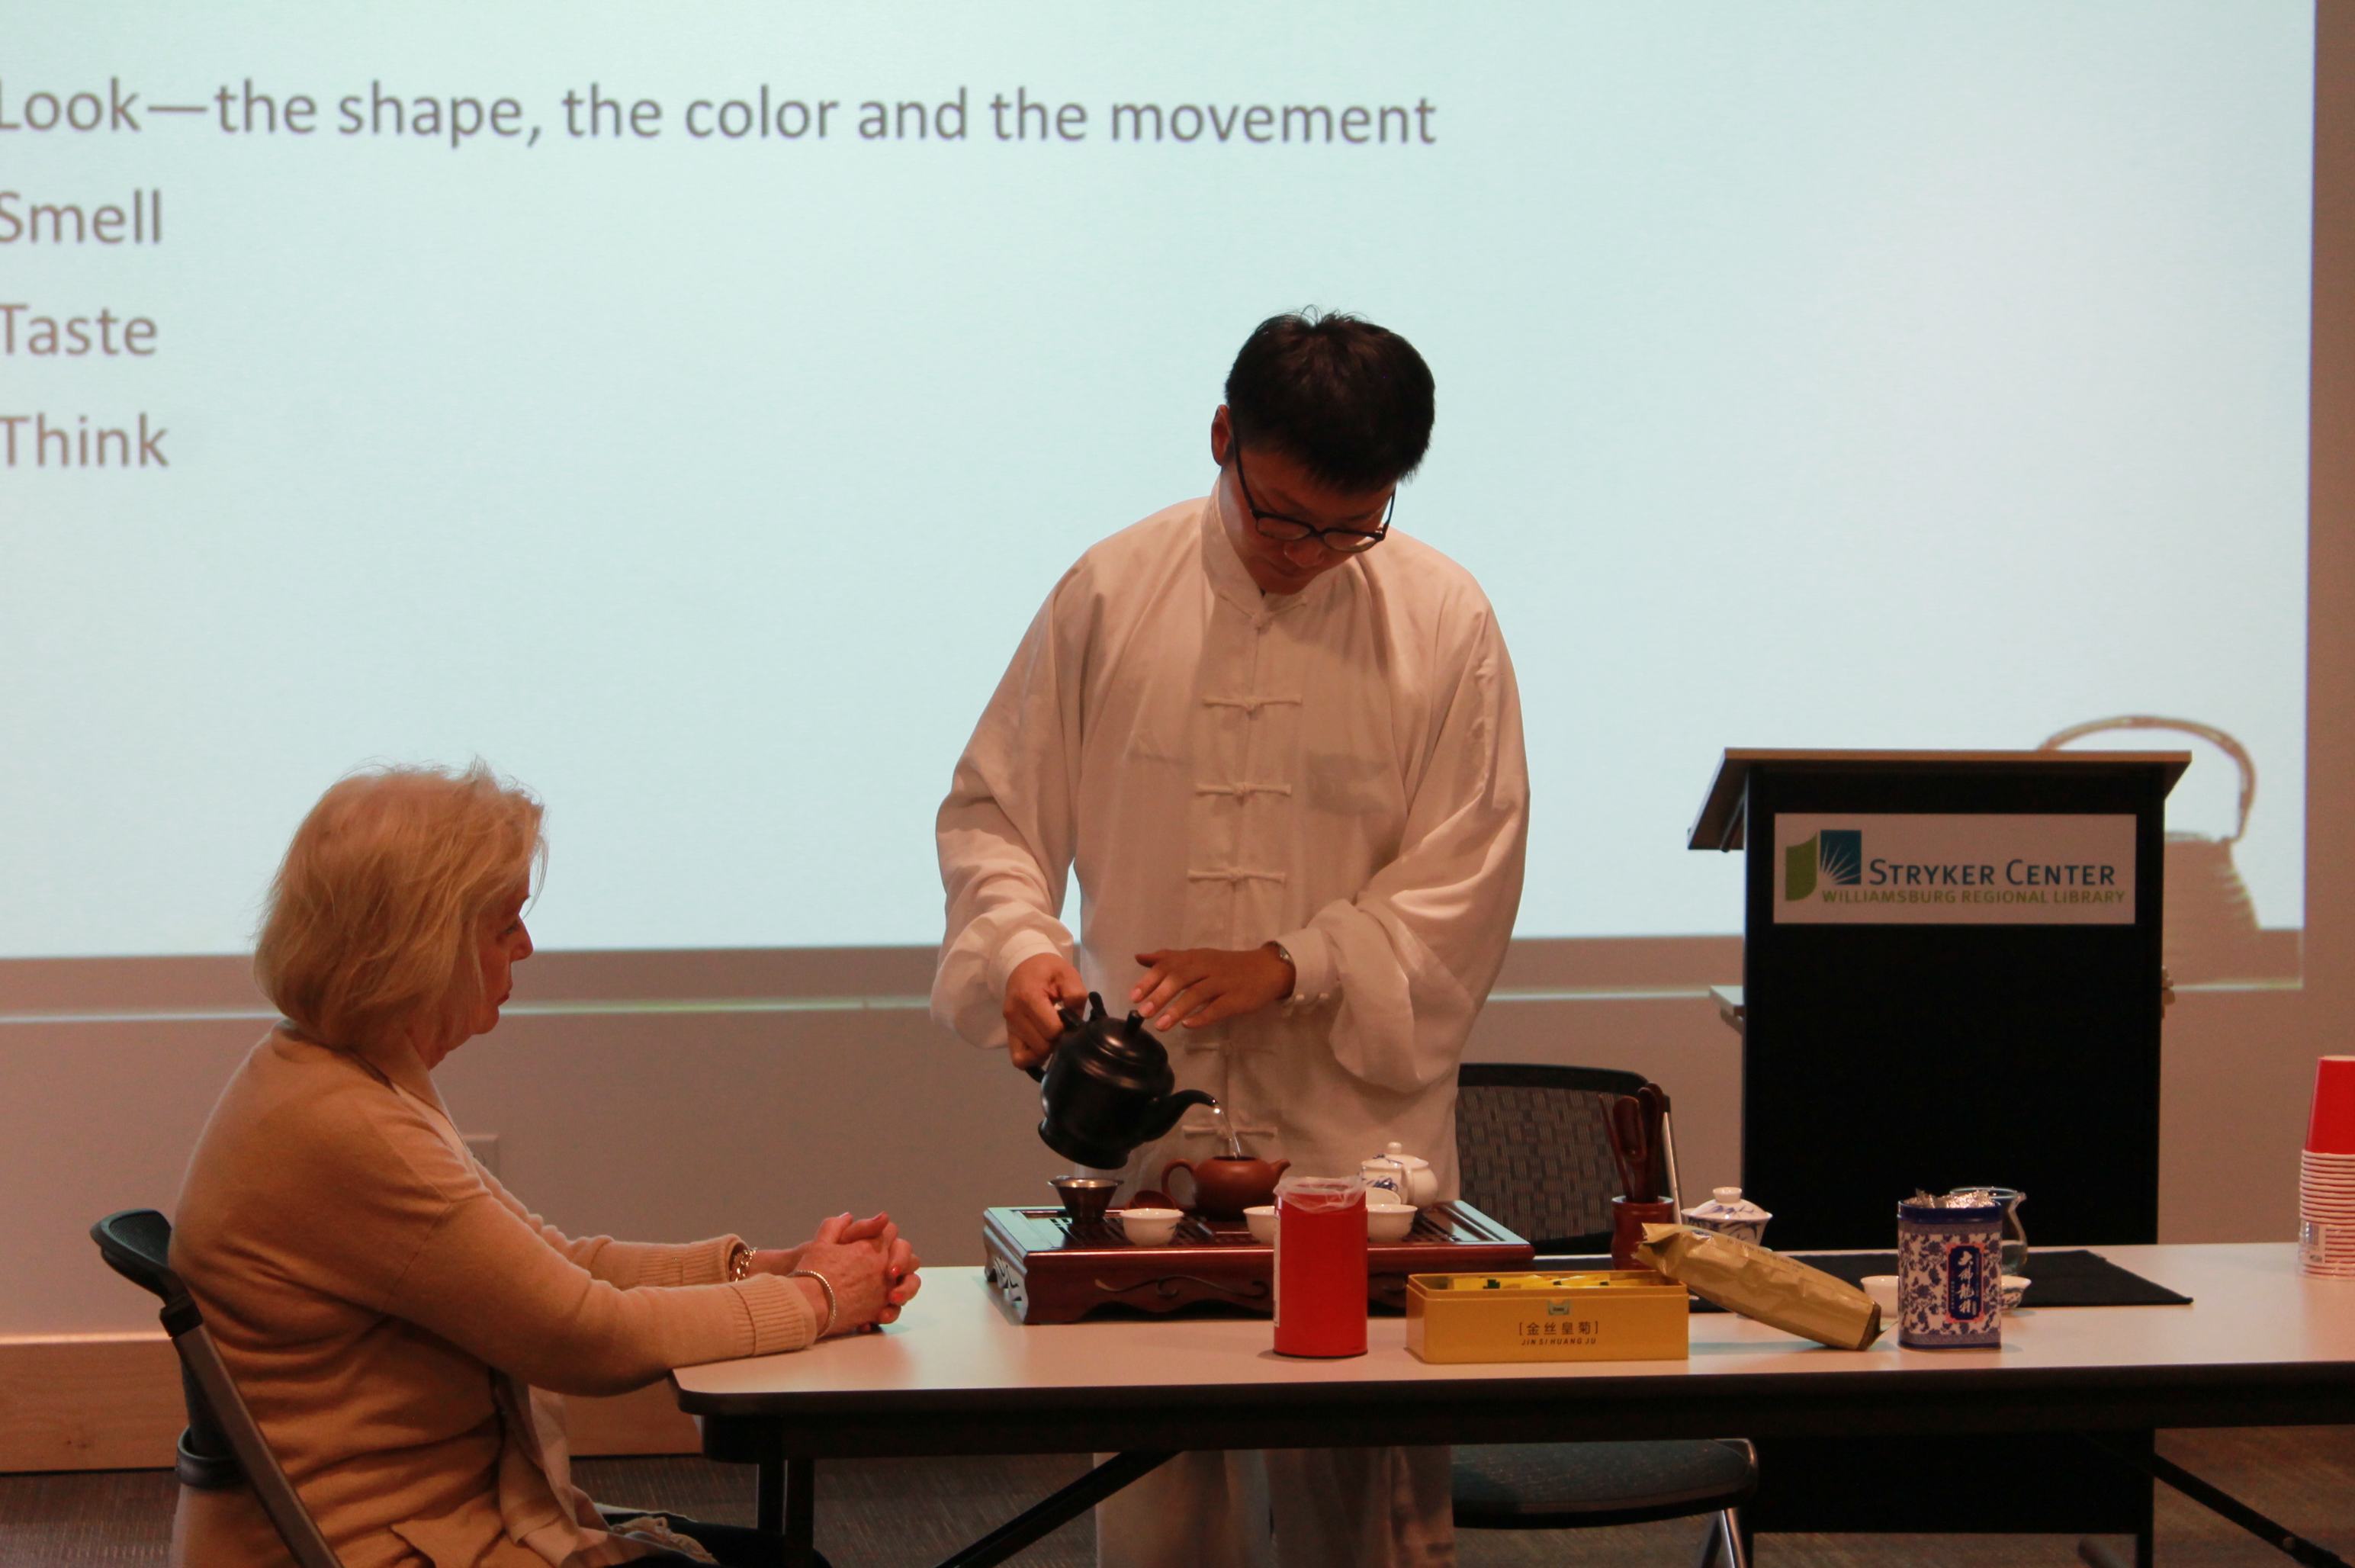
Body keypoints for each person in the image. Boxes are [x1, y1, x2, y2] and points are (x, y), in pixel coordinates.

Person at [933, 312, 1528, 1567]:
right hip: (1153, 1125)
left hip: (1354, 1135)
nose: (1309, 553)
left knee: (1364, 1512)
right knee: (1160, 1505)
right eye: (1279, 516)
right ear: (1221, 438)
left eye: (1349, 525)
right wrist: (1020, 951)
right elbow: (996, 817)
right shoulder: (1111, 588)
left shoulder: (1442, 619)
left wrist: (1292, 964)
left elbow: (1468, 868)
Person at [172, 763, 920, 1568]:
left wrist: (768, 1268)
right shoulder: (345, 1126)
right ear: (425, 943)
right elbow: (583, 1336)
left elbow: (558, 1263)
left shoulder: (333, 1078)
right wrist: (815, 1298)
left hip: (415, 1525)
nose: (526, 947)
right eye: (504, 925)